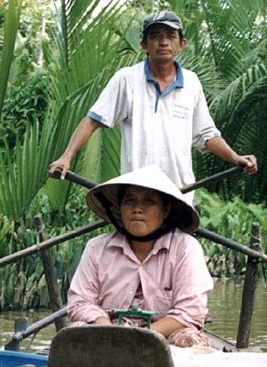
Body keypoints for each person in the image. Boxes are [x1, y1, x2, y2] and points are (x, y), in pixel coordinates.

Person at [48, 10, 256, 202]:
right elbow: (93, 120)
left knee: (178, 244)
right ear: (144, 45)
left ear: (182, 43)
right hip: (137, 194)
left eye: (170, 36)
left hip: (178, 194)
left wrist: (235, 158)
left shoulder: (191, 83)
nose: (163, 42)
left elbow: (206, 135)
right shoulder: (127, 79)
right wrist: (66, 157)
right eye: (155, 36)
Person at [67, 165, 213, 347]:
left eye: (148, 202)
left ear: (165, 210)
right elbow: (80, 302)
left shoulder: (185, 248)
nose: (137, 209)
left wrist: (141, 336)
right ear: (119, 208)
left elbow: (191, 310)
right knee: (75, 333)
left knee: (190, 340)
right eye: (129, 201)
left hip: (165, 336)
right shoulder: (97, 247)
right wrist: (106, 328)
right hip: (108, 333)